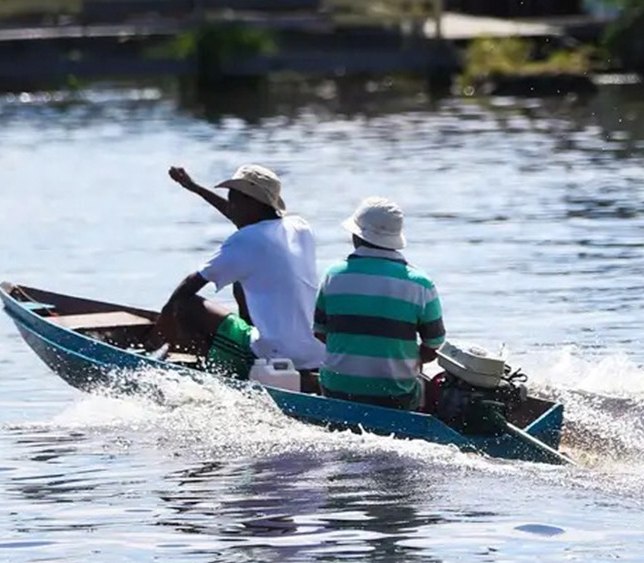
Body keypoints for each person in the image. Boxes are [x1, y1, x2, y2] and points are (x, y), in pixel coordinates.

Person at [156, 164, 327, 391]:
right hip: (315, 352)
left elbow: (189, 286)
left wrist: (162, 326)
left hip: (276, 352)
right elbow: (244, 218)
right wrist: (194, 188)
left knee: (186, 305)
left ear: (251, 202)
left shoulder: (245, 240)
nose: (231, 206)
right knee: (241, 278)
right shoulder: (300, 227)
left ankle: (221, 375)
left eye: (234, 199)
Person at [313, 197, 446, 411]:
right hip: (396, 395)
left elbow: (320, 333)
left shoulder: (333, 275)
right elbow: (433, 346)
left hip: (337, 389)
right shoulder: (420, 284)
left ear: (356, 235)